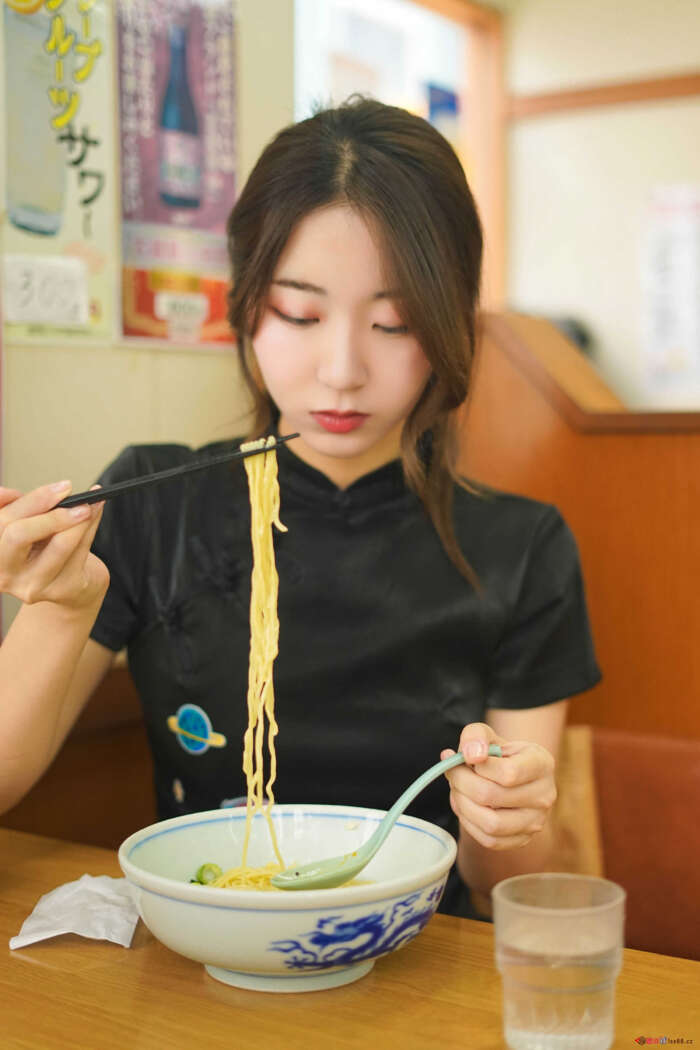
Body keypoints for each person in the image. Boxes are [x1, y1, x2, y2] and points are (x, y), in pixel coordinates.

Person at [0, 97, 600, 918]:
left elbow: (507, 882)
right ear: (247, 306)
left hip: (424, 958)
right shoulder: (156, 500)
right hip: (206, 946)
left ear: (450, 325)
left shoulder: (522, 544)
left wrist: (509, 812)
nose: (342, 370)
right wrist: (63, 608)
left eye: (394, 322)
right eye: (301, 314)